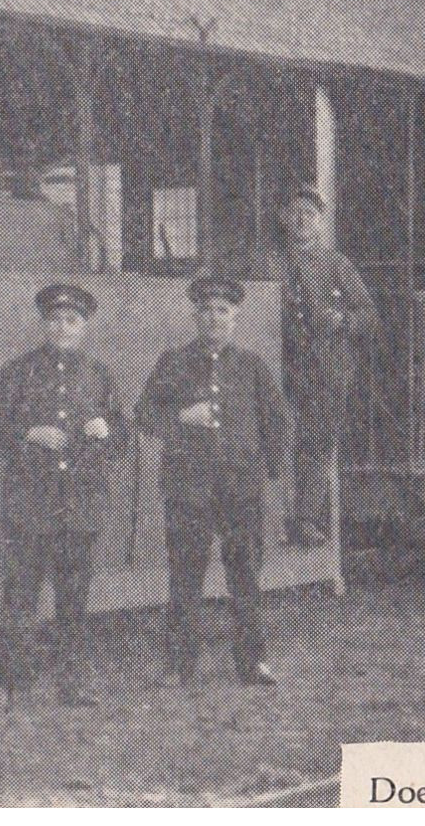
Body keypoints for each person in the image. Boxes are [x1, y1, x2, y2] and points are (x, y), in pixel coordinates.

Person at [0, 283, 129, 711]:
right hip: (30, 503)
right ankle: (6, 683)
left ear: (85, 327)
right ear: (44, 324)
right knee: (20, 596)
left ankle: (72, 681)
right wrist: (29, 433)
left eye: (72, 320)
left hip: (80, 506)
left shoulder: (99, 375)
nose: (63, 327)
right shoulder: (18, 372)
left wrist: (108, 431)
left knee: (73, 599)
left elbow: (123, 436)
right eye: (55, 319)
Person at [136, 276, 292, 686]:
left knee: (245, 574)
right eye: (206, 310)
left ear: (236, 317)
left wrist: (269, 473)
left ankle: (252, 661)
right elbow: (143, 416)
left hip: (241, 489)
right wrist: (180, 418)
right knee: (185, 575)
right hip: (188, 488)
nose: (214, 318)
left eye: (222, 310)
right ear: (194, 316)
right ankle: (179, 664)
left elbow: (277, 421)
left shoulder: (253, 366)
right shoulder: (173, 362)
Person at [251, 185, 377, 547]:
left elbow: (369, 315)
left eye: (310, 213)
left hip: (325, 371)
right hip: (279, 365)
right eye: (296, 211)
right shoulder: (268, 263)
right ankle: (270, 521)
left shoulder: (336, 263)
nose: (302, 219)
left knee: (317, 444)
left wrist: (343, 320)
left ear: (321, 222)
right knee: (277, 435)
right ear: (284, 218)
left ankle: (305, 519)